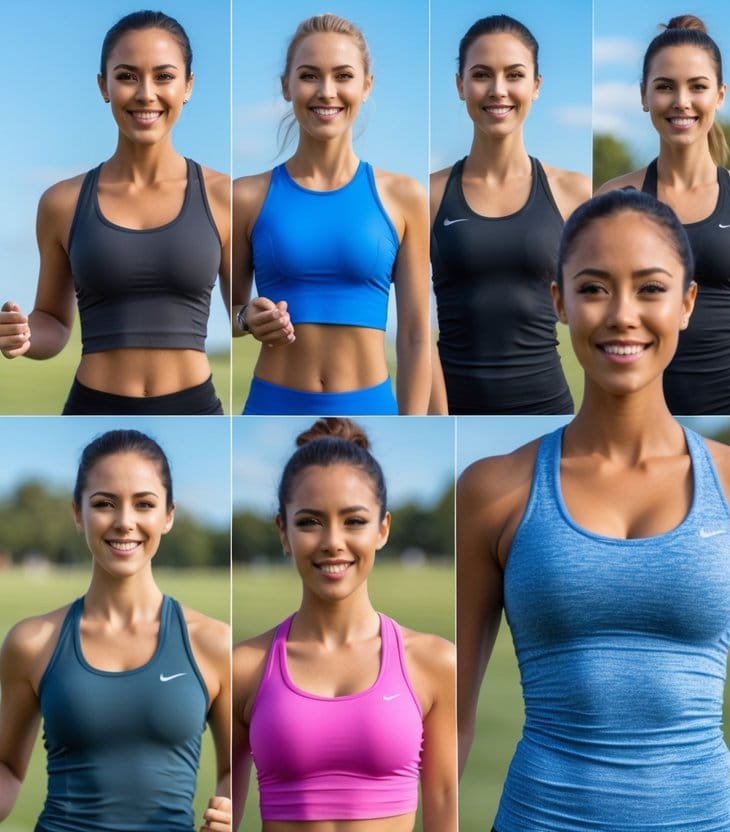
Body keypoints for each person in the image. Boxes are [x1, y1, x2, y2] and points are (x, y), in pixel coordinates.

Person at [458, 189, 730, 831]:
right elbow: (454, 719)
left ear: (687, 303)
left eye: (650, 288)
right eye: (595, 289)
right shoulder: (495, 490)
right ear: (559, 302)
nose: (622, 315)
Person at [0, 429, 231, 831]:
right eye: (104, 504)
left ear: (168, 515)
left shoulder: (213, 644)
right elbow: (7, 767)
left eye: (144, 504)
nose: (125, 522)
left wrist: (227, 814)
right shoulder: (32, 642)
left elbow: (233, 770)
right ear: (78, 513)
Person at [232, 417, 456, 831]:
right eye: (309, 522)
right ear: (283, 531)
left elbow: (444, 805)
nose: (333, 542)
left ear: (382, 529)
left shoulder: (435, 663)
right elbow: (223, 809)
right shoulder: (244, 668)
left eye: (354, 521)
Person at [0, 11, 230, 415]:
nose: (145, 93)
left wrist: (261, 317)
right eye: (127, 76)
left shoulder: (224, 196)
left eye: (164, 76)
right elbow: (53, 320)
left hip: (194, 410)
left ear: (188, 86)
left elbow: (242, 312)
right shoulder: (62, 202)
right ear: (103, 86)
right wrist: (23, 334)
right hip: (91, 408)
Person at [232, 14, 430, 415]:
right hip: (272, 405)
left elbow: (415, 337)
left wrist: (413, 425)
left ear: (366, 86)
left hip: (371, 407)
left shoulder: (404, 197)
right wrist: (246, 318)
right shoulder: (245, 197)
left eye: (343, 76)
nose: (326, 92)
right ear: (286, 86)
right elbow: (230, 311)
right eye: (309, 76)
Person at [597, 15, 730, 415]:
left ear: (720, 95)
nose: (681, 101)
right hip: (642, 416)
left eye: (697, 86)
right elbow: (597, 321)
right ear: (644, 95)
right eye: (665, 86)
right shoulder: (612, 199)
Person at [430, 14, 590, 415]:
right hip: (453, 412)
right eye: (482, 75)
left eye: (514, 75)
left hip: (548, 410)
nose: (498, 90)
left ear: (536, 85)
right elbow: (413, 330)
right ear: (460, 85)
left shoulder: (575, 194)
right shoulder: (428, 195)